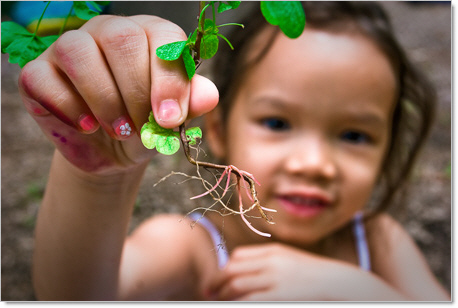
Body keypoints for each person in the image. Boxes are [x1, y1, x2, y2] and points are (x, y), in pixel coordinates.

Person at [21, 1, 450, 301]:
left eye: (354, 135)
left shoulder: (377, 241)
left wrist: (365, 295)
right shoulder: (190, 248)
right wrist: (97, 178)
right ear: (219, 130)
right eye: (277, 123)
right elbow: (79, 296)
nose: (314, 164)